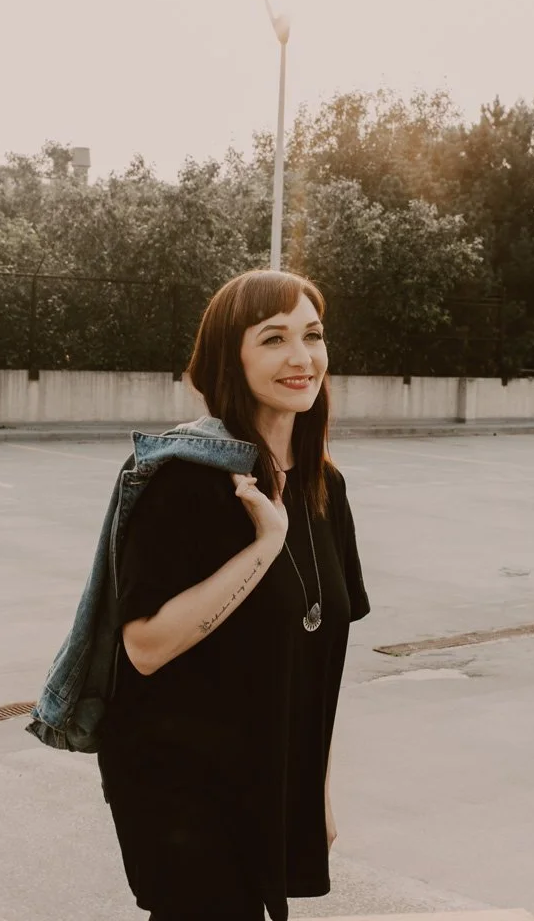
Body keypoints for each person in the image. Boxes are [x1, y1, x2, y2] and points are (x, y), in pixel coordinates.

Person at [98, 268, 370, 921]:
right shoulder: (182, 480)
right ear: (230, 359)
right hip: (181, 787)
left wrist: (315, 792)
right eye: (274, 339)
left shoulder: (325, 487)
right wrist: (265, 545)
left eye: (313, 335)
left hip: (269, 776)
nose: (302, 357)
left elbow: (316, 665)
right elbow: (145, 647)